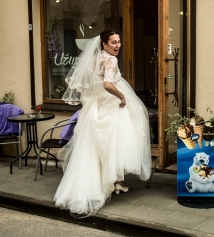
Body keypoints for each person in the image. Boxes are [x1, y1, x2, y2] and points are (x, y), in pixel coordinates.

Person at [54, 29, 152, 218]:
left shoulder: (95, 57)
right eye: (113, 42)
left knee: (98, 146)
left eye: (118, 42)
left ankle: (115, 181)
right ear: (104, 44)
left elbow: (90, 81)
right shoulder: (111, 60)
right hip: (111, 104)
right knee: (116, 143)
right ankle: (114, 181)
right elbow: (108, 84)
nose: (117, 46)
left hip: (96, 105)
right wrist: (122, 95)